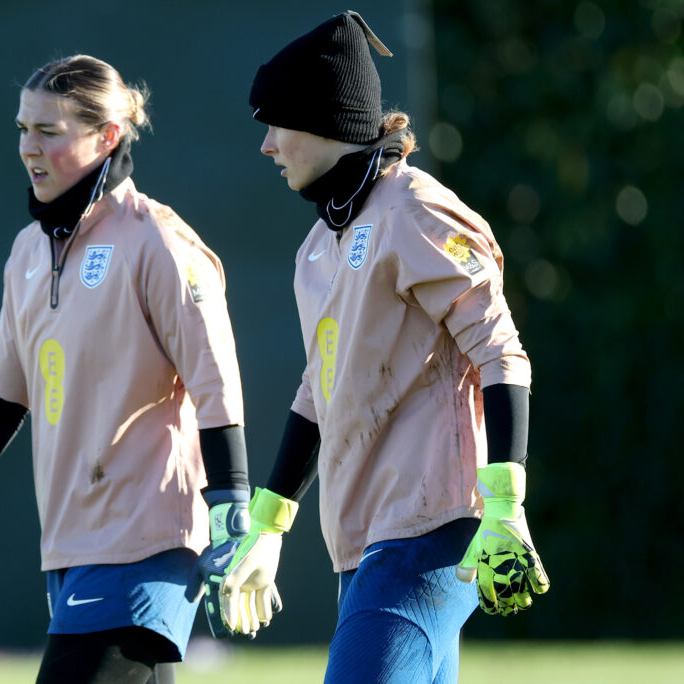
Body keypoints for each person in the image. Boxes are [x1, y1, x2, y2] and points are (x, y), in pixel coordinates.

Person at [0, 55, 253, 684]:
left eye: (48, 132)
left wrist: (231, 504)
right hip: (69, 547)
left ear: (107, 137)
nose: (29, 148)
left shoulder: (158, 241)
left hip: (147, 543)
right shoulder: (27, 251)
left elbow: (216, 384)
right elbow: (6, 395)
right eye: (23, 129)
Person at [213, 12, 551, 683]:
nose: (267, 146)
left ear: (325, 121)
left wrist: (506, 502)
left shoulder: (414, 210)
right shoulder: (318, 248)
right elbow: (317, 395)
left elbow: (501, 352)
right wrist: (269, 526)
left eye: (277, 123)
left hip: (430, 533)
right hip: (365, 548)